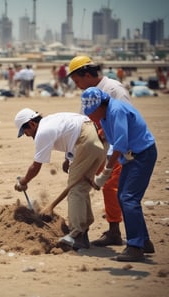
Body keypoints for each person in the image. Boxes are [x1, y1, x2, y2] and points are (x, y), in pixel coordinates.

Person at [81, 87, 157, 262]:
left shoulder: (116, 111)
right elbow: (114, 146)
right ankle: (144, 241)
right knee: (123, 197)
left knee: (129, 198)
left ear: (100, 105)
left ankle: (135, 247)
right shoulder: (105, 116)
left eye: (92, 112)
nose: (90, 116)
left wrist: (106, 172)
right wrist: (103, 172)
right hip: (130, 157)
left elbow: (121, 144)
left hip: (142, 154)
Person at [14, 108, 106, 250]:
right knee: (81, 187)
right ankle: (84, 231)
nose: (27, 135)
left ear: (32, 124)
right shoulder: (51, 120)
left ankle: (76, 235)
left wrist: (23, 181)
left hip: (86, 141)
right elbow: (72, 132)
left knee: (75, 191)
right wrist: (68, 158)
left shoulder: (42, 132)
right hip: (97, 138)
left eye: (25, 131)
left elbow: (36, 166)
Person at [67, 55, 131, 247]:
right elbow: (82, 122)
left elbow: (125, 118)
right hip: (95, 148)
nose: (78, 85)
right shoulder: (89, 92)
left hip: (116, 148)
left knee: (111, 187)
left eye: (78, 81)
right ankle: (83, 230)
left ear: (87, 74)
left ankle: (114, 231)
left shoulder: (113, 89)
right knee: (83, 182)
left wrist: (104, 131)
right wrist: (70, 153)